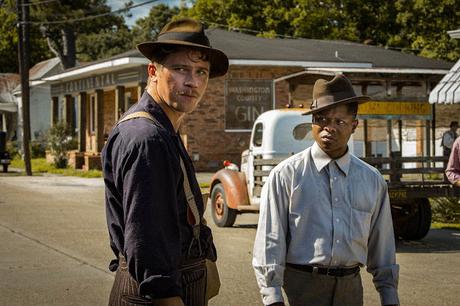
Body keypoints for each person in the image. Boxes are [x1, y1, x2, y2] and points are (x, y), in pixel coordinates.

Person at [102, 18, 228, 306]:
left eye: (201, 72)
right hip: (158, 297)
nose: (192, 82)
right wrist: (167, 298)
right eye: (181, 69)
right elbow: (148, 242)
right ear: (153, 72)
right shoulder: (147, 137)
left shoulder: (162, 129)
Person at [252, 74, 399, 306]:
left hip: (350, 288)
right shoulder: (286, 176)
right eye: (321, 119)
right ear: (312, 123)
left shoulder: (372, 181)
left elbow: (382, 245)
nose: (328, 128)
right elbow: (270, 241)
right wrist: (273, 297)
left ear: (354, 126)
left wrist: (389, 296)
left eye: (338, 121)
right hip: (301, 288)